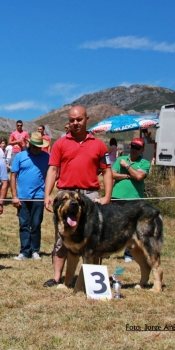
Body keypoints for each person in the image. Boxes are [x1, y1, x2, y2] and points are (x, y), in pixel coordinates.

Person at [42, 106, 112, 287]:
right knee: (61, 238)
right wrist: (47, 194)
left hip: (90, 196)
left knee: (92, 239)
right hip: (65, 194)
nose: (75, 123)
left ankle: (91, 281)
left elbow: (107, 171)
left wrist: (107, 197)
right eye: (72, 120)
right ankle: (58, 278)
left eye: (79, 119)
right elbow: (52, 169)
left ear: (87, 119)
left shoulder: (99, 145)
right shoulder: (60, 144)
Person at [11, 132, 50, 261]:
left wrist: (48, 193)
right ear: (29, 144)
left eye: (39, 147)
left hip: (39, 196)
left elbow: (52, 174)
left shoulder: (47, 157)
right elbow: (13, 175)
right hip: (22, 196)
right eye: (34, 146)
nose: (36, 149)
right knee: (24, 224)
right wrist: (14, 196)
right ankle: (24, 250)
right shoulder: (20, 156)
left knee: (36, 224)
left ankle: (35, 250)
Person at [111, 137, 151, 262]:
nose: (134, 149)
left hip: (135, 199)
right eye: (133, 146)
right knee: (114, 225)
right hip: (117, 196)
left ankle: (129, 253)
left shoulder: (145, 163)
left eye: (137, 148)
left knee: (132, 227)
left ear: (142, 149)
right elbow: (112, 174)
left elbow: (139, 176)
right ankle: (109, 248)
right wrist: (128, 175)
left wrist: (127, 166)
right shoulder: (119, 159)